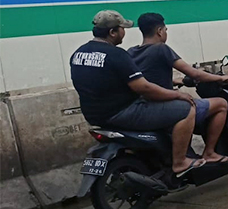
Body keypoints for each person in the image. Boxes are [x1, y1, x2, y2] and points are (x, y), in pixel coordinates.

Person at [70, 10, 205, 177]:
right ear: (112, 32)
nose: (124, 33)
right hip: (124, 112)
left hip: (95, 116)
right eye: (122, 29)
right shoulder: (116, 54)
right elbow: (144, 88)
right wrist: (178, 95)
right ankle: (180, 162)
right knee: (186, 109)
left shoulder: (78, 54)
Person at [128, 13, 228, 164]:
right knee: (221, 104)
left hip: (143, 106)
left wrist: (174, 81)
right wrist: (220, 78)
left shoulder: (131, 52)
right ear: (159, 31)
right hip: (163, 105)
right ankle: (209, 152)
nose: (166, 33)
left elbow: (146, 79)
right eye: (166, 30)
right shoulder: (161, 49)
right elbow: (195, 74)